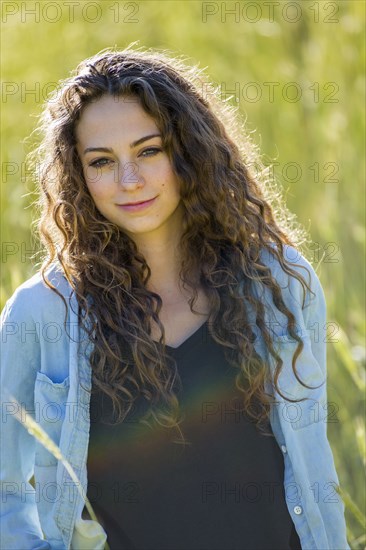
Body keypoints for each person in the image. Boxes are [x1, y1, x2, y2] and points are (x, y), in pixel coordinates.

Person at [0, 46, 349, 550]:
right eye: (102, 161)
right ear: (79, 176)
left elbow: (314, 471)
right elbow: (6, 489)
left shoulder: (280, 283)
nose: (129, 180)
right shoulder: (42, 313)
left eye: (149, 150)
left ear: (188, 150)